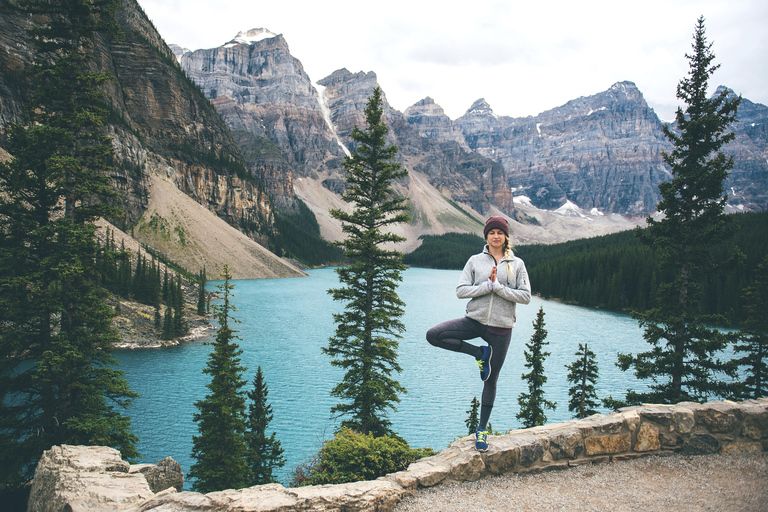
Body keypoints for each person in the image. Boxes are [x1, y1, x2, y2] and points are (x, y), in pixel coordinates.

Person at [426, 216, 531, 451]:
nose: (496, 236)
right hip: (474, 320)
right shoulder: (475, 261)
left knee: (490, 380)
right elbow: (461, 291)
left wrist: (499, 288)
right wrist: (486, 287)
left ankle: (481, 430)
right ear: (486, 236)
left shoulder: (517, 263)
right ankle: (479, 353)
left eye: (500, 232)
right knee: (434, 335)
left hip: (501, 328)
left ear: (506, 237)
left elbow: (525, 296)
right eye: (492, 232)